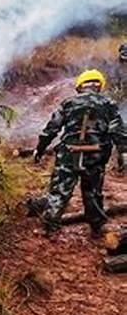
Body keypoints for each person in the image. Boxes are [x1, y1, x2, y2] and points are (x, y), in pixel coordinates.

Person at [34, 69, 127, 237]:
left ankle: (50, 227)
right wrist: (123, 154)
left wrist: (39, 149)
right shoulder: (108, 104)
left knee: (60, 190)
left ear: (80, 86)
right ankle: (97, 227)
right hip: (96, 155)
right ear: (99, 86)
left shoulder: (68, 103)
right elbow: (119, 132)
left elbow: (51, 129)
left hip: (68, 155)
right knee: (92, 191)